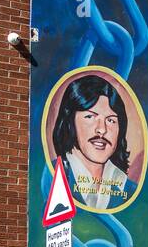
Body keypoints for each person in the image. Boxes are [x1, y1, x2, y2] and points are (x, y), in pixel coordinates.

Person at [51, 73, 136, 211]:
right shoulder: (51, 177)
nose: (102, 130)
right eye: (90, 116)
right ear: (69, 121)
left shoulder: (130, 189)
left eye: (111, 120)